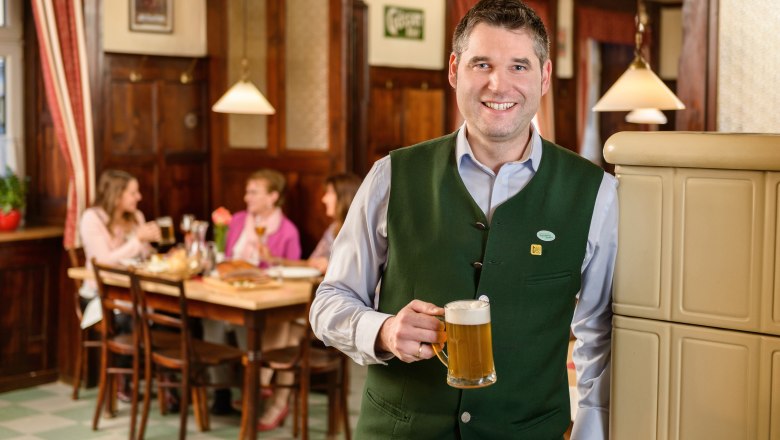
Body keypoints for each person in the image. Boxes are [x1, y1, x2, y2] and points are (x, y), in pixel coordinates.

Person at [310, 1, 617, 439]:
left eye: (518, 66)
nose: (499, 83)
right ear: (454, 69)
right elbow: (329, 301)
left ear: (544, 77)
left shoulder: (596, 193)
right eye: (481, 64)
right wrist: (383, 329)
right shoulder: (391, 176)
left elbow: (599, 339)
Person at [202, 169, 302, 428]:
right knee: (210, 321)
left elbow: (292, 272)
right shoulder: (236, 221)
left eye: (253, 192)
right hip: (229, 292)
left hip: (261, 301)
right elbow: (222, 256)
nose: (247, 198)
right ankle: (223, 390)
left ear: (272, 197)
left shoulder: (287, 231)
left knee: (242, 325)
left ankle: (255, 387)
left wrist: (267, 261)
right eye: (247, 191)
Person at [79, 169, 161, 403]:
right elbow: (103, 261)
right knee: (129, 318)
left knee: (171, 317)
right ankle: (123, 380)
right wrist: (137, 241)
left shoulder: (136, 217)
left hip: (137, 293)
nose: (139, 197)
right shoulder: (92, 219)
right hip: (97, 295)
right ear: (116, 195)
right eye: (133, 193)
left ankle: (167, 385)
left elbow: (142, 256)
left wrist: (151, 248)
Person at [269, 173, 362, 273]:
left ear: (344, 197)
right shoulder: (333, 229)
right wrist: (272, 259)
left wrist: (332, 267)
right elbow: (312, 262)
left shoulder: (360, 231)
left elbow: (363, 273)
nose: (324, 199)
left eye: (330, 193)